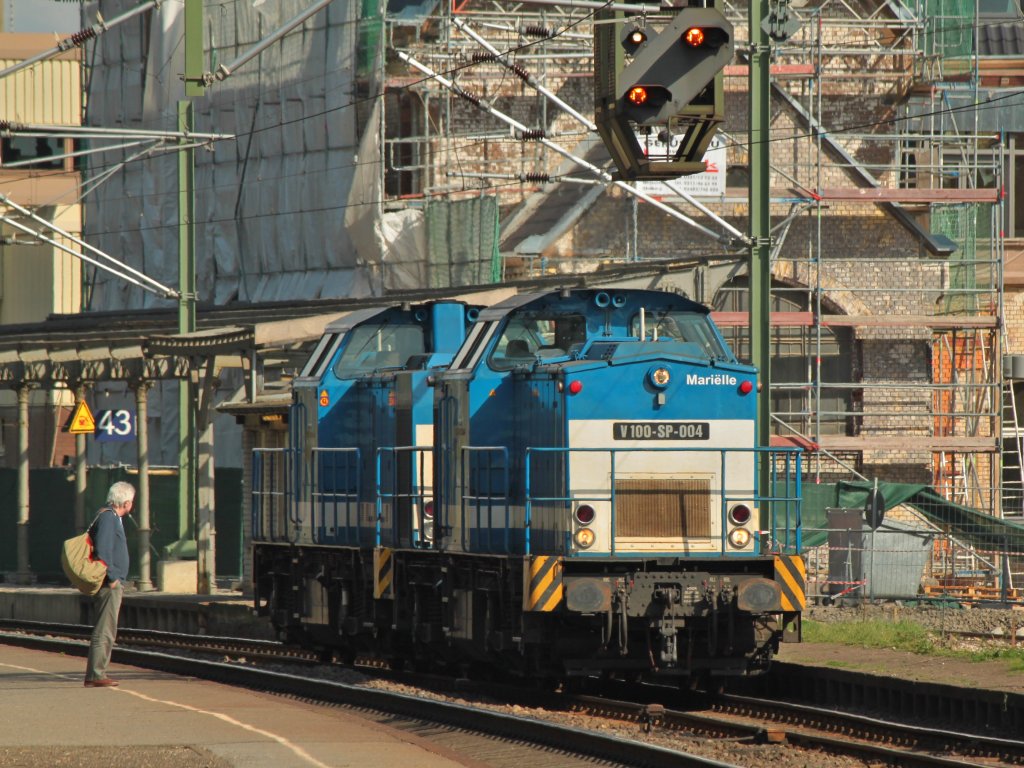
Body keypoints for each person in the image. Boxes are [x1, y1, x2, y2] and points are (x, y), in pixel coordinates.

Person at [84, 481, 134, 688]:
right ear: (127, 502)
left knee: (107, 628)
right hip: (109, 583)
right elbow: (104, 549)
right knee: (105, 628)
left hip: (112, 581)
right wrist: (113, 576)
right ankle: (96, 674)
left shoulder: (111, 518)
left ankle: (97, 672)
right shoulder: (108, 518)